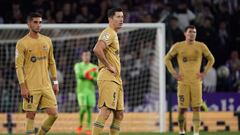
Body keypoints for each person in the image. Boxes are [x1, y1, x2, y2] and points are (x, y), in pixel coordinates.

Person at [164, 25, 215, 135]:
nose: (192, 34)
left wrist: (205, 72)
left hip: (196, 82)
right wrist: (173, 73)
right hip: (183, 82)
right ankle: (182, 131)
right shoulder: (178, 46)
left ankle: (196, 133)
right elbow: (166, 58)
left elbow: (211, 59)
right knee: (182, 109)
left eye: (194, 32)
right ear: (185, 33)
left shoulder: (201, 46)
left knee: (196, 108)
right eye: (190, 32)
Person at [15, 12, 59, 135]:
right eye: (35, 22)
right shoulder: (22, 43)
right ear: (28, 24)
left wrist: (55, 82)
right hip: (31, 86)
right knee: (30, 116)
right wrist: (23, 86)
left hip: (46, 85)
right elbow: (19, 66)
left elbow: (52, 62)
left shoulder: (47, 40)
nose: (38, 25)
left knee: (54, 114)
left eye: (40, 22)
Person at [92, 7, 124, 135]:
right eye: (118, 17)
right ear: (110, 19)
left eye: (122, 17)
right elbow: (97, 49)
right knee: (105, 111)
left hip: (116, 78)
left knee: (119, 114)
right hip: (108, 76)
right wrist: (109, 66)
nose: (121, 19)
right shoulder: (109, 32)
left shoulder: (114, 34)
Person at [74, 50, 98, 135]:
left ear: (90, 56)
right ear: (82, 56)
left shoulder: (94, 67)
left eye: (88, 55)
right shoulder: (78, 66)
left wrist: (92, 78)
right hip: (81, 91)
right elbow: (79, 75)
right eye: (85, 55)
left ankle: (88, 128)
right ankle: (80, 125)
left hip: (90, 91)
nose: (86, 57)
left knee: (89, 110)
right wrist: (88, 75)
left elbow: (97, 80)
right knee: (83, 108)